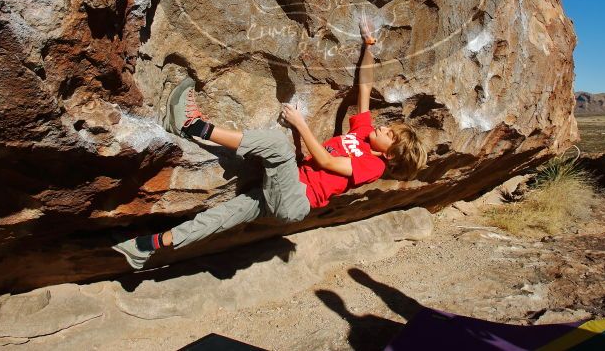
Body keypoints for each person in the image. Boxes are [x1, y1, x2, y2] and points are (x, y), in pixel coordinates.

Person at [112, 20, 428, 269]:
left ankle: (192, 125)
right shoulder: (363, 133)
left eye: (390, 133)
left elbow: (328, 163)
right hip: (283, 190)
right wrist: (368, 47)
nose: (384, 126)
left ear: (391, 153)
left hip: (296, 199)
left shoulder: (373, 165)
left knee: (277, 144)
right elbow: (364, 87)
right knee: (223, 216)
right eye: (388, 126)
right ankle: (146, 248)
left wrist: (301, 125)